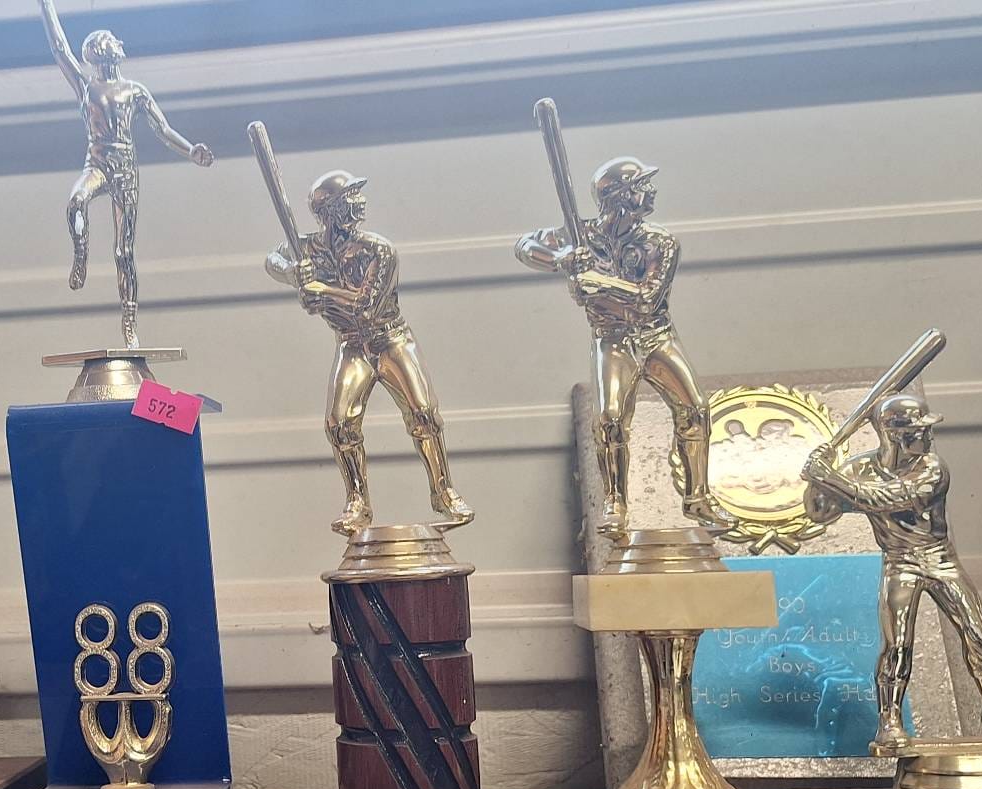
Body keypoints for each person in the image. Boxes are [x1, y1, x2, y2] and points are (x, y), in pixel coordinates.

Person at [801, 393, 982, 749]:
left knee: (978, 633)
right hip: (899, 560)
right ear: (893, 434)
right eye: (918, 431)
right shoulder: (859, 469)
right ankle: (890, 721)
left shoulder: (933, 468)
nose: (927, 436)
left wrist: (828, 477)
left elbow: (884, 499)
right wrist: (816, 477)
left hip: (939, 557)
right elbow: (820, 512)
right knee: (897, 644)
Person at [517, 157, 732, 539]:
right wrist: (562, 259)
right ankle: (615, 502)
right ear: (619, 196)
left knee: (695, 409)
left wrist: (597, 281)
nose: (650, 192)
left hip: (656, 337)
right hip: (612, 340)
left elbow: (647, 299)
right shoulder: (582, 236)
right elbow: (524, 245)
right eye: (641, 186)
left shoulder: (660, 242)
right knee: (610, 419)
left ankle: (697, 498)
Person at [266, 171, 473, 535]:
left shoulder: (379, 250)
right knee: (339, 424)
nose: (360, 203)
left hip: (391, 340)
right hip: (351, 345)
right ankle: (357, 502)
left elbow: (367, 307)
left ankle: (444, 493)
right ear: (329, 210)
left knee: (423, 413)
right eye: (351, 197)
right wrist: (294, 274)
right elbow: (273, 259)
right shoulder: (308, 250)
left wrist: (320, 290)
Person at [39, 0, 214, 348]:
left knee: (123, 252)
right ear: (101, 51)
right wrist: (46, 5)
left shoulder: (135, 90)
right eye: (112, 41)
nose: (118, 44)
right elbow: (59, 47)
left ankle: (129, 321)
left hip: (125, 170)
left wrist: (190, 150)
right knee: (76, 202)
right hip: (97, 163)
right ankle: (81, 254)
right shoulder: (86, 86)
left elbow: (163, 129)